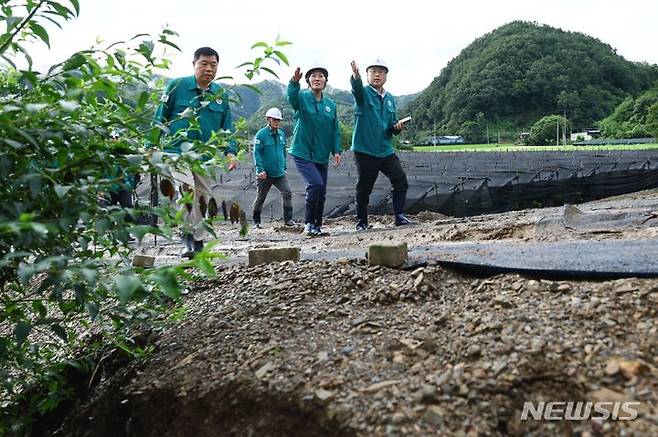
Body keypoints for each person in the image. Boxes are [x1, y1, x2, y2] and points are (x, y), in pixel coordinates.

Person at [152, 46, 238, 258]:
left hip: (205, 156)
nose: (209, 69)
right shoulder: (177, 86)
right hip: (176, 152)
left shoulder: (220, 95)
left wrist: (230, 151)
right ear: (194, 64)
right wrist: (150, 144)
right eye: (204, 64)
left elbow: (226, 127)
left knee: (202, 196)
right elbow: (160, 116)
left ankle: (197, 239)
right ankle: (187, 238)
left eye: (213, 65)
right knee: (186, 191)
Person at [350, 58, 415, 231]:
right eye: (372, 71)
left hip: (385, 150)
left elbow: (391, 127)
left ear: (386, 76)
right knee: (364, 188)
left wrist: (397, 127)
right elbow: (356, 89)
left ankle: (400, 217)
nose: (377, 74)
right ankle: (361, 222)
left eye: (380, 71)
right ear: (367, 75)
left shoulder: (390, 99)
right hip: (365, 149)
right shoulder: (363, 93)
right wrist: (355, 76)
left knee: (400, 179)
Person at [287, 65, 341, 236]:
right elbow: (292, 98)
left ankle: (317, 226)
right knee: (315, 185)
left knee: (322, 191)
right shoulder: (302, 98)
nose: (317, 79)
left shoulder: (330, 105)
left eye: (321, 76)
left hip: (321, 154)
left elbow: (335, 129)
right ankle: (309, 225)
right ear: (308, 81)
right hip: (302, 151)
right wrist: (294, 83)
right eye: (313, 76)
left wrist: (336, 150)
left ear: (326, 81)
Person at [252, 107, 295, 228]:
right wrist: (260, 169)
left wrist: (284, 167)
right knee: (261, 197)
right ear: (268, 120)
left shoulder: (281, 134)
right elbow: (257, 153)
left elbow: (283, 152)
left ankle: (288, 220)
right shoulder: (261, 135)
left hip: (280, 173)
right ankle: (256, 222)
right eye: (274, 119)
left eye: (278, 120)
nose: (277, 122)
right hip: (265, 174)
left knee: (287, 193)